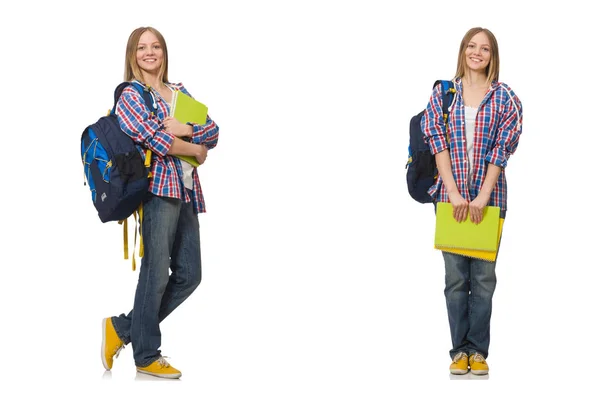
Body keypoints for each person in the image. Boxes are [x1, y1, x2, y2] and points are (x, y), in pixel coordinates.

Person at [100, 26, 219, 379]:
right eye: (141, 48)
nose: (149, 53)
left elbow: (213, 131)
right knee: (155, 274)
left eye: (155, 46)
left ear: (164, 52)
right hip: (157, 190)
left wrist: (186, 130)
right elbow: (155, 140)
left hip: (185, 191)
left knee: (189, 275)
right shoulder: (131, 96)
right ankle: (146, 354)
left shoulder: (179, 92)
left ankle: (122, 329)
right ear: (132, 55)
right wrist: (195, 147)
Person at [421, 27, 523, 376]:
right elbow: (436, 140)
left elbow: (502, 149)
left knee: (482, 279)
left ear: (493, 56)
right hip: (449, 199)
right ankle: (458, 351)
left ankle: (477, 351)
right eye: (471, 46)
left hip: (490, 200)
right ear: (463, 50)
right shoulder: (443, 94)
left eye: (485, 48)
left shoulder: (506, 98)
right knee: (455, 280)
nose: (477, 52)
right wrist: (451, 191)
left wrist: (481, 196)